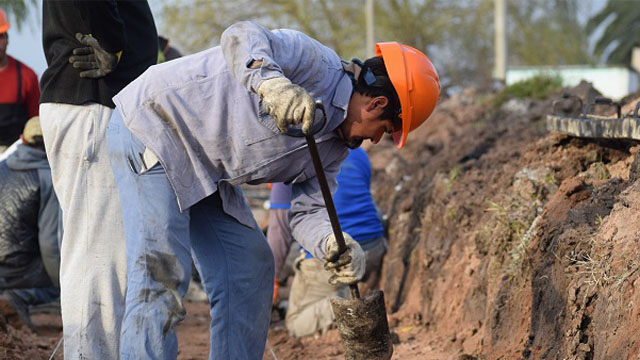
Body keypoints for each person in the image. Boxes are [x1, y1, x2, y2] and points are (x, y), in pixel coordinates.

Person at [105, 21, 439, 359]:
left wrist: (331, 243)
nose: (377, 139)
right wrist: (272, 84)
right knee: (161, 278)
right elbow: (240, 35)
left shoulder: (334, 150)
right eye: (385, 129)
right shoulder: (316, 64)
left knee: (250, 268)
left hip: (203, 167)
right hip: (156, 127)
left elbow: (308, 211)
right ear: (376, 104)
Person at [38, 1, 157, 358]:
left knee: (100, 252)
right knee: (98, 255)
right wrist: (112, 43)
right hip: (91, 100)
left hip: (92, 102)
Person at [267, 147, 387, 337]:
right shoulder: (357, 152)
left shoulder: (287, 159)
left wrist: (269, 280)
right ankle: (360, 285)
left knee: (295, 323)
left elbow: (280, 230)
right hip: (372, 247)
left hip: (336, 257)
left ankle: (352, 302)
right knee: (290, 253)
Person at [0, 116, 60, 330]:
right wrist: (61, 283)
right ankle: (17, 297)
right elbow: (50, 242)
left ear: (21, 140)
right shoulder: (47, 177)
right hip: (20, 274)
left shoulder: (2, 167)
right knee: (58, 288)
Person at [0, 9, 41, 153]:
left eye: (1, 36)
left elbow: (36, 124)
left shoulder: (27, 76)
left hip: (18, 155)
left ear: (7, 38)